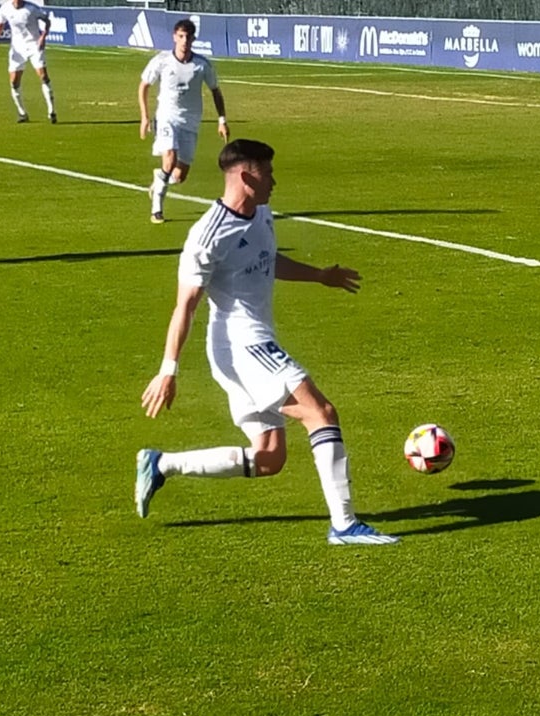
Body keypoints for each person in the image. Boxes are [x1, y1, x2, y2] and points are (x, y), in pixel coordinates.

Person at [134, 139, 399, 546]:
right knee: (322, 412)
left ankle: (162, 464)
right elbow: (184, 306)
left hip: (252, 341)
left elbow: (267, 260)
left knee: (269, 458)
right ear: (245, 176)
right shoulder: (207, 236)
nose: (274, 180)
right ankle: (344, 526)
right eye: (267, 172)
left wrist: (319, 276)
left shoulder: (261, 213)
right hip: (241, 345)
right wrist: (168, 370)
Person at [139, 18, 229, 224]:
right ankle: (157, 210)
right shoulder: (161, 61)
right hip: (166, 118)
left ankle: (159, 180)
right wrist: (144, 116)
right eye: (180, 36)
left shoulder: (202, 65)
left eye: (188, 37)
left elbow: (216, 91)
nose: (184, 41)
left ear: (193, 39)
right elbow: (143, 86)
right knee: (169, 157)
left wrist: (222, 120)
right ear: (174, 37)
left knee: (179, 175)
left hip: (190, 122)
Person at [0, 0, 56, 124]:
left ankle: (51, 112)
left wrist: (43, 36)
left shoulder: (32, 8)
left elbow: (47, 20)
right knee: (14, 81)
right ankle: (22, 113)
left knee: (43, 76)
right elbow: (0, 24)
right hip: (17, 48)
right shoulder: (5, 8)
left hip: (34, 45)